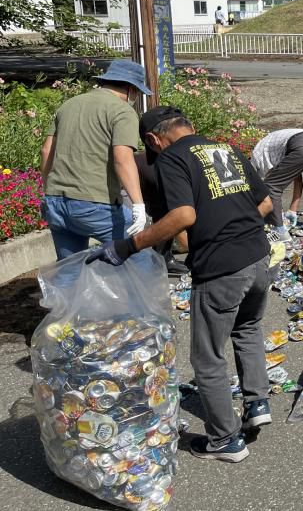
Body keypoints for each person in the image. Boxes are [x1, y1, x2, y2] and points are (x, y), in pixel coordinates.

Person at [84, 106, 274, 462]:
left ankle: (226, 441)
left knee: (208, 357)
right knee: (247, 328)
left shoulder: (171, 159)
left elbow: (183, 216)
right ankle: (257, 402)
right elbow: (263, 202)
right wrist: (234, 224)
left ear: (154, 140)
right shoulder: (226, 149)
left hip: (222, 269)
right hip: (259, 258)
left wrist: (128, 246)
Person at [39, 59, 150, 259]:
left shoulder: (69, 104)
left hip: (57, 203)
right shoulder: (122, 111)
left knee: (69, 268)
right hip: (96, 204)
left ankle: (66, 291)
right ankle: (147, 291)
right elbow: (123, 159)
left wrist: (49, 192)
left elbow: (46, 151)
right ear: (131, 89)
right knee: (139, 254)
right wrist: (138, 206)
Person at [251, 128, 303, 240]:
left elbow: (269, 185)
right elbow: (297, 177)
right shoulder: (270, 147)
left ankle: (279, 231)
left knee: (271, 186)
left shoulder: (259, 157)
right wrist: (292, 211)